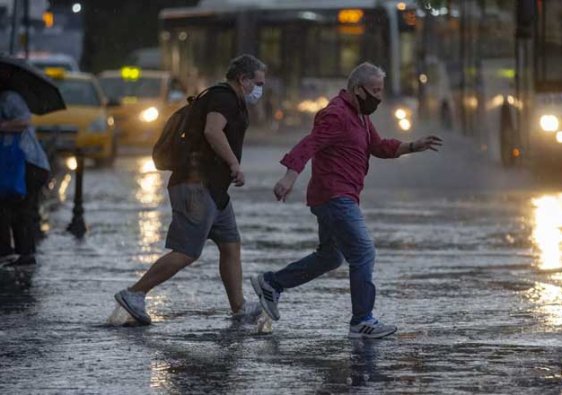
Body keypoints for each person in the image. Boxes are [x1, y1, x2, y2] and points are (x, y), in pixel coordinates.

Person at [251, 62, 442, 339]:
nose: (379, 97)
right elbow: (309, 144)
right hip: (334, 195)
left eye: (381, 90)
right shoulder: (336, 114)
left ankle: (272, 283)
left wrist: (412, 146)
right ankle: (361, 320)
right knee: (363, 252)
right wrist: (289, 178)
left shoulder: (360, 116)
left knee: (331, 257)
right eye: (375, 90)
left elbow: (378, 146)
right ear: (357, 89)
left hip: (340, 195)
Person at [114, 54, 267, 325]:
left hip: (214, 189)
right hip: (196, 185)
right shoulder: (224, 98)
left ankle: (239, 308)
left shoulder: (226, 98)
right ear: (242, 79)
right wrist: (234, 163)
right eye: (257, 82)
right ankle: (134, 293)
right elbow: (213, 131)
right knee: (187, 251)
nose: (260, 89)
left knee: (230, 245)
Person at [0, 89, 51, 266]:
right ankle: (16, 254)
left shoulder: (9, 98)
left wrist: (3, 126)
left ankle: (25, 255)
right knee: (9, 209)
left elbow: (25, 121)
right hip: (13, 165)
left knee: (22, 210)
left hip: (29, 163)